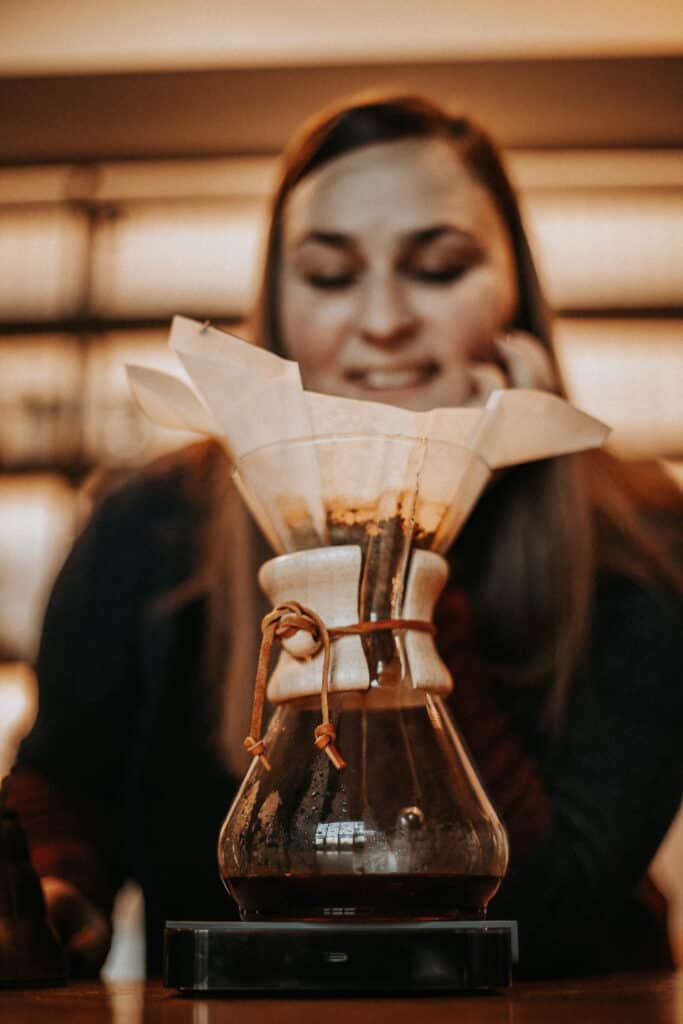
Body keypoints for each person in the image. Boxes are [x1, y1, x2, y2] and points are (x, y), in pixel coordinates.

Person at [7, 92, 683, 977]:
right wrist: (59, 900)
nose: (381, 320)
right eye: (329, 276)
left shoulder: (642, 539)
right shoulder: (148, 525)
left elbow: (549, 906)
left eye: (437, 268)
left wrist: (411, 547)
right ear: (277, 310)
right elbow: (64, 784)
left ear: (515, 294)